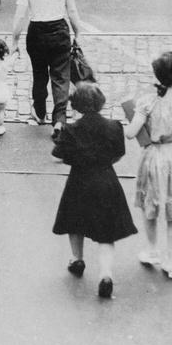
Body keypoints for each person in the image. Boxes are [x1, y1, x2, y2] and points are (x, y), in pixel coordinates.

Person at [51, 81, 138, 299]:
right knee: (106, 232)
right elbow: (119, 154)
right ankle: (105, 275)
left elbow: (59, 156)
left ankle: (77, 259)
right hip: (106, 180)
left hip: (79, 180)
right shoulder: (114, 126)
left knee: (75, 222)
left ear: (77, 105)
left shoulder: (71, 130)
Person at [126, 52, 172, 280]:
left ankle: (151, 250)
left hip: (155, 155)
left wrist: (132, 112)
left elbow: (131, 133)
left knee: (151, 204)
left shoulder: (148, 102)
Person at [10, 0, 80, 130]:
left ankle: (40, 113)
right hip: (59, 28)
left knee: (39, 74)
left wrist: (15, 41)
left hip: (37, 31)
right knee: (61, 76)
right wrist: (77, 32)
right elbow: (72, 10)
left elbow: (19, 16)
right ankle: (59, 119)